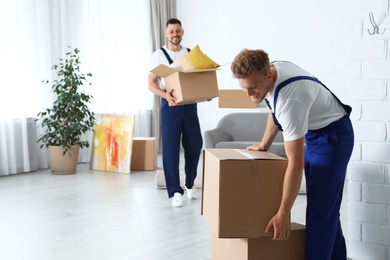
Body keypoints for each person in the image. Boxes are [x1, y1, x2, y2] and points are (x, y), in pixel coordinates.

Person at [230, 49, 354, 260]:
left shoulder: (291, 102)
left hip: (333, 138)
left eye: (253, 87)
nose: (250, 94)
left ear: (268, 75)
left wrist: (284, 212)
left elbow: (294, 164)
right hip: (316, 132)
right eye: (244, 88)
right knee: (326, 208)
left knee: (319, 214)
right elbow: (273, 107)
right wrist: (264, 143)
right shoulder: (272, 70)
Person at [148, 18, 202, 207]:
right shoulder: (159, 55)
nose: (175, 35)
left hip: (190, 106)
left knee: (195, 146)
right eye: (171, 32)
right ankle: (174, 192)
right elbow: (151, 84)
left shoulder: (190, 54)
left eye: (178, 31)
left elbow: (198, 80)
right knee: (171, 150)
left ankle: (189, 184)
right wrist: (165, 95)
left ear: (182, 32)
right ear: (166, 34)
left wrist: (205, 93)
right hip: (170, 107)